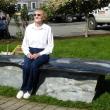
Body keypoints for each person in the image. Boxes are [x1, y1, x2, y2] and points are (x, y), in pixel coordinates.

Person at [16, 9, 54, 99]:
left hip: (43, 53)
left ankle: (29, 88)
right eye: (35, 15)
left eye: (39, 15)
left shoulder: (47, 28)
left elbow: (50, 46)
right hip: (30, 52)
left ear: (43, 17)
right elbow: (24, 44)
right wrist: (28, 53)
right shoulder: (29, 27)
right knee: (26, 66)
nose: (36, 16)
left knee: (34, 65)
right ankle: (22, 89)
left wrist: (39, 54)